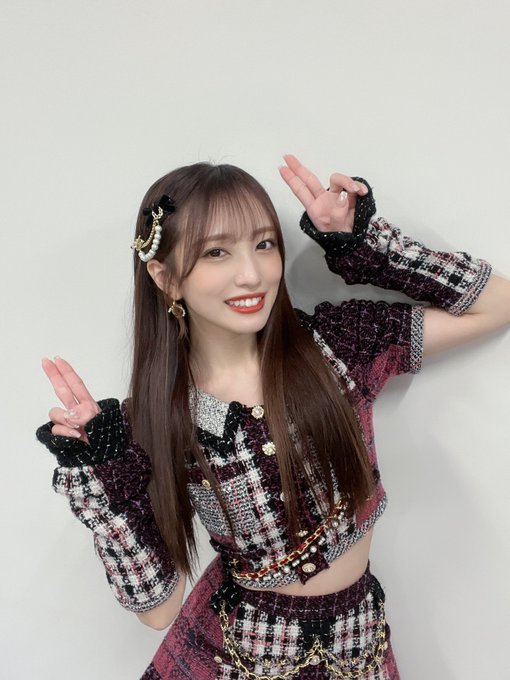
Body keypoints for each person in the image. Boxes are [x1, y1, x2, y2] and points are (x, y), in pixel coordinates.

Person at [36, 155, 510, 679]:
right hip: (236, 656)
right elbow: (158, 609)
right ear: (165, 277)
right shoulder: (156, 420)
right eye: (216, 252)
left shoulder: (336, 348)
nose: (252, 273)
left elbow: (497, 303)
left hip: (360, 645)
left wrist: (365, 245)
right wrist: (102, 475)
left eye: (264, 244)